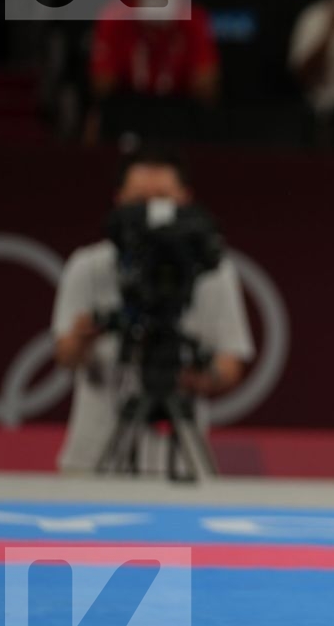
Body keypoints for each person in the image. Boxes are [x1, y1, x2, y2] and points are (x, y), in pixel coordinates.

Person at [50, 147, 254, 474]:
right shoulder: (88, 266)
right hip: (92, 461)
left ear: (185, 200)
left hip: (180, 466)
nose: (151, 211)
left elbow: (230, 363)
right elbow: (64, 356)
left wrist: (194, 379)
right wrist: (82, 338)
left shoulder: (214, 271)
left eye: (162, 198)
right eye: (139, 199)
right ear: (118, 200)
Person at [86, 0, 220, 142]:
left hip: (178, 110)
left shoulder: (194, 17)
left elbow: (206, 88)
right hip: (127, 109)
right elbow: (101, 86)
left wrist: (172, 35)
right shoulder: (115, 15)